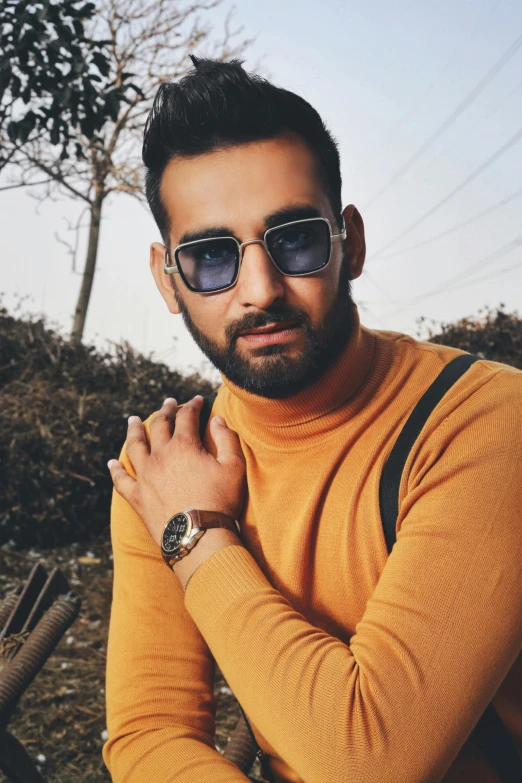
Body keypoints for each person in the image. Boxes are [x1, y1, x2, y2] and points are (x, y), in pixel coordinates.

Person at [102, 57, 522, 783]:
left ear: (348, 243)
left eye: (294, 237)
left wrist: (197, 535)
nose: (260, 290)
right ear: (167, 280)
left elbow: (371, 760)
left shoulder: (483, 419)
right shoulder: (163, 468)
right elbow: (147, 735)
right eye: (209, 257)